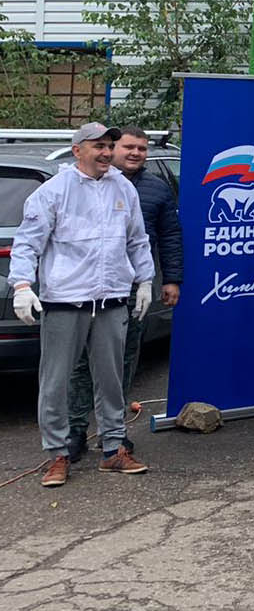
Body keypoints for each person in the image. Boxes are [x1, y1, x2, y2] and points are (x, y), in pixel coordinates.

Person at [11, 121, 155, 488]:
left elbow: (137, 239)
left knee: (111, 380)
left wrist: (145, 280)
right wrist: (22, 285)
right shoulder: (54, 191)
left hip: (111, 300)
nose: (106, 152)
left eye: (109, 145)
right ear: (78, 150)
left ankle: (113, 449)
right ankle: (57, 454)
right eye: (98, 146)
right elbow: (28, 241)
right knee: (55, 382)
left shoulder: (123, 188)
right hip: (65, 301)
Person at [65, 122, 183, 460]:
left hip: (131, 287)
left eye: (141, 149)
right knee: (79, 363)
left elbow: (170, 235)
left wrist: (171, 279)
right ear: (111, 149)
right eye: (129, 147)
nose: (135, 153)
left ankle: (112, 432)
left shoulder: (157, 189)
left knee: (123, 361)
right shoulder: (80, 185)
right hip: (82, 287)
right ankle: (74, 431)